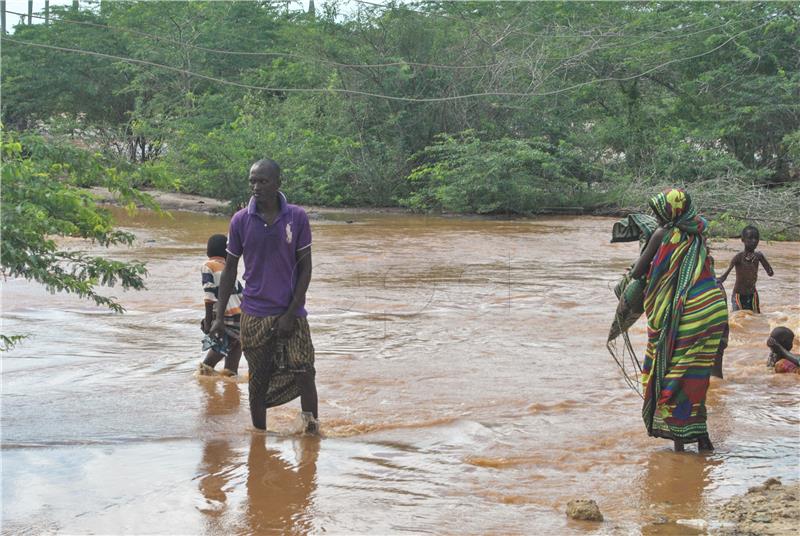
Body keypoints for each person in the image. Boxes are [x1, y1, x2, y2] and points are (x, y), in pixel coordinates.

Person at [210, 159, 319, 434]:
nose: (256, 187)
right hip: (254, 313)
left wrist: (292, 311)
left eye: (263, 181)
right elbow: (231, 268)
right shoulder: (240, 220)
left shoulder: (296, 217)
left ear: (278, 183)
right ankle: (259, 436)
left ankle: (311, 430)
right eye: (252, 181)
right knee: (258, 379)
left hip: (291, 311)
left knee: (304, 370)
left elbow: (305, 267)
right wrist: (218, 316)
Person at [629, 188, 728, 452]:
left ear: (670, 212)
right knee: (695, 374)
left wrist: (634, 269)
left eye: (659, 212)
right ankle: (702, 439)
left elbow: (639, 271)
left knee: (672, 375)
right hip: (714, 307)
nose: (657, 217)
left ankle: (680, 444)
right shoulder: (697, 233)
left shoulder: (664, 234)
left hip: (691, 313)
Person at [199, 234, 243, 377]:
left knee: (206, 368)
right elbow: (242, 295)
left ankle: (206, 393)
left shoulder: (208, 265)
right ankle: (232, 396)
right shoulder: (229, 269)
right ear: (227, 253)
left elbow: (209, 295)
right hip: (240, 318)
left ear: (207, 252)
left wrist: (208, 320)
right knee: (231, 372)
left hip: (225, 318)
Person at [717, 225, 774, 312]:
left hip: (753, 295)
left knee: (756, 319)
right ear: (743, 240)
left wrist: (762, 259)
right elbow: (724, 276)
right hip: (738, 296)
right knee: (738, 318)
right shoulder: (738, 257)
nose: (754, 241)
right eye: (750, 238)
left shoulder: (759, 256)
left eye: (756, 238)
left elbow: (770, 273)